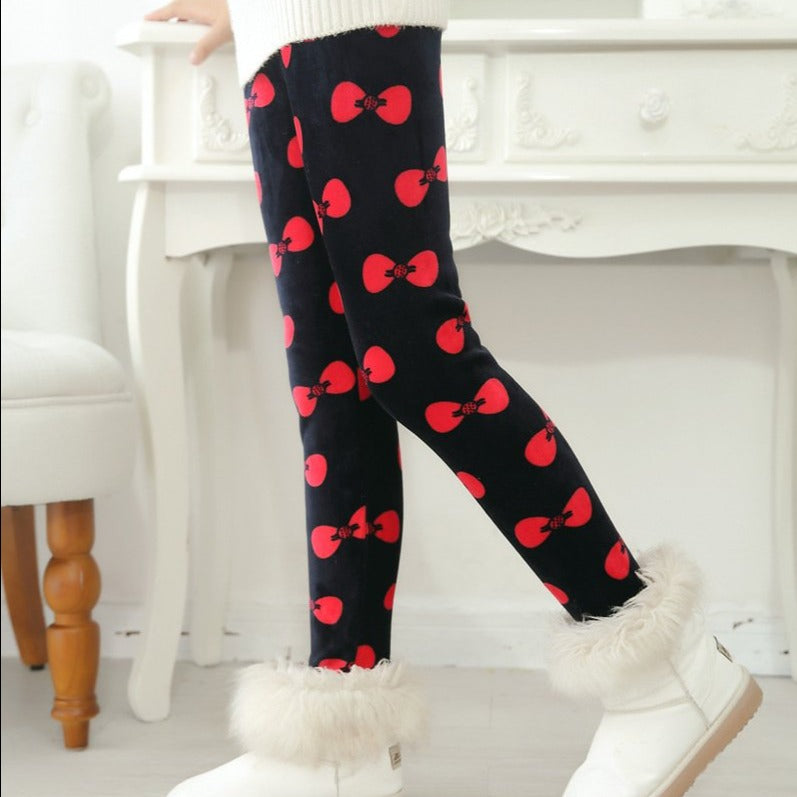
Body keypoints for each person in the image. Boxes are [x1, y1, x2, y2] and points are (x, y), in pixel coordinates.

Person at [143, 2, 763, 795]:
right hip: (276, 30)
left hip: (355, 15)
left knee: (415, 357)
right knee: (333, 390)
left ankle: (661, 668)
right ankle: (341, 740)